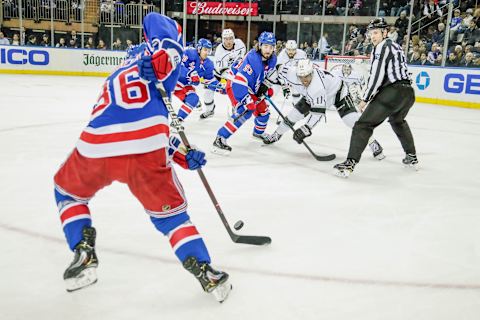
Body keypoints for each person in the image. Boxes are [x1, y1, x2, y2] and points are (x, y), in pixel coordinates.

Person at [53, 13, 231, 303]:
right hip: (147, 148)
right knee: (174, 219)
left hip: (99, 143)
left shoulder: (120, 73)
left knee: (67, 193)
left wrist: (182, 153)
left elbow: (126, 121)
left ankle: (83, 252)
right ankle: (206, 271)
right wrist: (168, 52)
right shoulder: (163, 61)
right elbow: (155, 20)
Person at [334, 18, 417, 178]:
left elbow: (377, 76)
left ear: (385, 33)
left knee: (362, 125)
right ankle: (411, 156)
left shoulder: (381, 46)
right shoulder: (396, 46)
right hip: (408, 93)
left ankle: (350, 163)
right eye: (371, 33)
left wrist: (365, 98)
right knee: (398, 121)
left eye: (376, 32)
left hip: (393, 92)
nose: (373, 36)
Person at [263, 59, 385, 160]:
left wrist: (305, 130)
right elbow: (278, 69)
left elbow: (318, 114)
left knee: (351, 121)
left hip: (338, 94)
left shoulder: (317, 87)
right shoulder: (292, 73)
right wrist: (266, 84)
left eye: (307, 76)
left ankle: (372, 142)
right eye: (301, 77)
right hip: (310, 96)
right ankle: (276, 135)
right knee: (293, 115)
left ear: (312, 73)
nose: (304, 80)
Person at [211, 31, 277, 155]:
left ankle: (258, 133)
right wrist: (246, 100)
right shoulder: (253, 60)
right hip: (236, 84)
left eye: (271, 47)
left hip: (251, 86)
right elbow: (239, 82)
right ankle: (220, 138)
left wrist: (266, 87)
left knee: (264, 112)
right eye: (266, 46)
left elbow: (265, 76)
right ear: (260, 45)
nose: (268, 50)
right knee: (246, 110)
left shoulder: (272, 59)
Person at [174, 38, 225, 123]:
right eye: (205, 50)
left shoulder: (208, 64)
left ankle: (178, 120)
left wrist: (220, 87)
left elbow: (209, 81)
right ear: (199, 48)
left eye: (209, 50)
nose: (207, 53)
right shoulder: (189, 52)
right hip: (171, 81)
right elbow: (177, 65)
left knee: (193, 98)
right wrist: (189, 74)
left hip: (183, 86)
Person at [201, 29, 246, 119]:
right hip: (219, 76)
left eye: (230, 38)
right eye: (226, 39)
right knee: (207, 92)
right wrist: (228, 81)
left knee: (235, 92)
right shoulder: (219, 52)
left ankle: (236, 108)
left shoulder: (240, 44)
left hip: (236, 74)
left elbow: (243, 58)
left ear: (234, 38)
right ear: (222, 39)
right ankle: (210, 110)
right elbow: (222, 71)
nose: (228, 41)